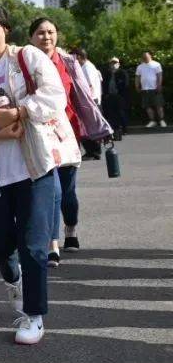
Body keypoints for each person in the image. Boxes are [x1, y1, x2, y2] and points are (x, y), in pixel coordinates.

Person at [0, 3, 78, 345]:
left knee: (35, 244)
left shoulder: (28, 58)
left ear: (5, 28)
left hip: (35, 167)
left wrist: (20, 111)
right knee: (2, 244)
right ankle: (13, 280)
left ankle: (33, 316)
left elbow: (55, 95)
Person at [30, 19, 112, 260]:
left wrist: (98, 126)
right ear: (31, 37)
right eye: (40, 33)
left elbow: (84, 98)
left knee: (67, 192)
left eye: (50, 32)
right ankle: (52, 243)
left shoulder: (67, 62)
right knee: (50, 190)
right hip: (39, 135)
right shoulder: (22, 63)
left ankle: (71, 229)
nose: (46, 37)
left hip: (66, 134)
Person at [70, 47, 105, 159]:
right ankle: (92, 151)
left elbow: (89, 86)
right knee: (87, 128)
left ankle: (94, 152)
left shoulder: (87, 68)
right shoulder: (85, 67)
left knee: (88, 128)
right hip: (91, 100)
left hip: (90, 101)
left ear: (79, 57)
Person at [102, 57, 130, 140]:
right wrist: (106, 94)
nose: (113, 65)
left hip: (119, 96)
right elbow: (104, 84)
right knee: (111, 113)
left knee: (121, 112)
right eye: (112, 63)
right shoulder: (107, 73)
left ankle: (125, 128)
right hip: (110, 96)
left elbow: (125, 85)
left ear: (118, 64)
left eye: (115, 63)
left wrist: (121, 95)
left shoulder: (122, 73)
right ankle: (114, 129)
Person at [136, 51, 164, 127]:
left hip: (155, 88)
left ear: (150, 56)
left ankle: (161, 120)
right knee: (147, 106)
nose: (145, 57)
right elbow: (137, 77)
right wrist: (137, 86)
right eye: (144, 56)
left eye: (146, 56)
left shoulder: (156, 64)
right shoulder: (140, 67)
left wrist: (159, 85)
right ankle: (153, 121)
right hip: (145, 89)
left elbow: (159, 76)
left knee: (159, 105)